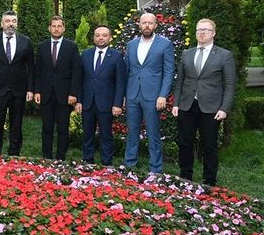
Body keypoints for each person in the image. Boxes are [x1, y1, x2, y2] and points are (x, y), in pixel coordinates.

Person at [172, 18, 236, 186]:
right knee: (185, 143)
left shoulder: (224, 55)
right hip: (187, 105)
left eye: (206, 30)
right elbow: (180, 81)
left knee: (209, 145)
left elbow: (229, 85)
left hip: (211, 108)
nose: (202, 33)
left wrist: (224, 108)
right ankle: (185, 177)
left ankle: (209, 181)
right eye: (199, 30)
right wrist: (176, 103)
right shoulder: (187, 53)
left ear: (213, 33)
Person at [124, 12, 175, 173]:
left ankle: (155, 169)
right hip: (132, 95)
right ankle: (129, 165)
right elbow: (127, 71)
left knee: (153, 133)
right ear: (139, 25)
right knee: (132, 132)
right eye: (144, 22)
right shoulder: (131, 44)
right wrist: (124, 96)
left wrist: (163, 95)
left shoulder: (165, 44)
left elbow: (169, 72)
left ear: (155, 25)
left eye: (150, 23)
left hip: (153, 96)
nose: (147, 25)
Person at [0, 10, 34, 156]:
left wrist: (30, 89)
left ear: (17, 23)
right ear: (2, 23)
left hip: (19, 90)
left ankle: (14, 155)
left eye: (14, 21)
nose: (11, 24)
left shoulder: (26, 41)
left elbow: (31, 67)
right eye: (8, 21)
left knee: (16, 125)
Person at [75, 26, 126, 165]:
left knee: (106, 135)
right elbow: (79, 79)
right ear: (93, 38)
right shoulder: (85, 54)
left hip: (107, 104)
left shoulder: (117, 56)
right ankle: (87, 162)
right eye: (97, 35)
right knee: (87, 135)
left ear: (110, 38)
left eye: (104, 35)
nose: (101, 38)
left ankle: (107, 164)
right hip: (87, 102)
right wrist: (79, 100)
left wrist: (117, 103)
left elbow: (120, 82)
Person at [34, 15, 81, 160]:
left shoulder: (71, 47)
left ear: (64, 28)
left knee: (62, 128)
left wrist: (73, 93)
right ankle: (46, 157)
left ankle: (61, 158)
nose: (56, 29)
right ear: (49, 28)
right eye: (53, 26)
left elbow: (76, 72)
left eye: (59, 26)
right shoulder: (42, 46)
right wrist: (37, 91)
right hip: (46, 94)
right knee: (47, 128)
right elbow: (38, 71)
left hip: (65, 95)